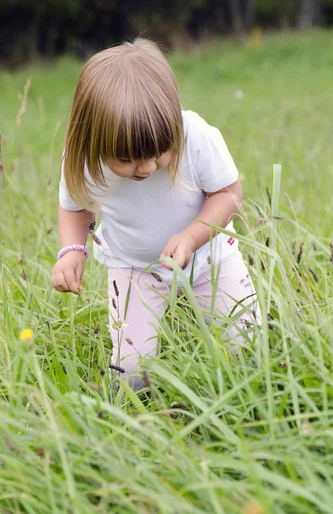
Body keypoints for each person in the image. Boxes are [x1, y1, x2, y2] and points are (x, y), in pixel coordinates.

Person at [52, 38, 261, 389]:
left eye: (160, 152)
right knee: (131, 372)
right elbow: (74, 207)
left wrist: (190, 237)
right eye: (127, 159)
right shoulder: (85, 158)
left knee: (248, 349)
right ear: (93, 139)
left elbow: (229, 194)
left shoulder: (194, 135)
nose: (146, 168)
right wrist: (72, 250)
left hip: (211, 256)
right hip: (133, 267)